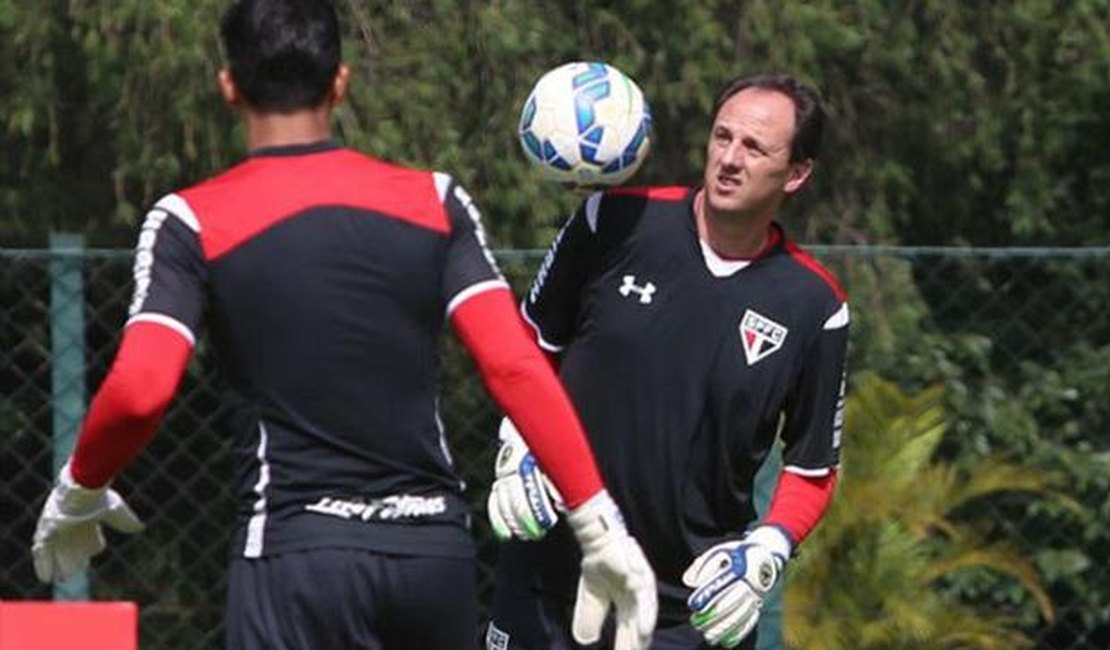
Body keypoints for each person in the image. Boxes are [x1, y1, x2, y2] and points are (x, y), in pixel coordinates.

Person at [29, 1, 657, 648]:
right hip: (432, 556)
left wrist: (81, 486)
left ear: (228, 85)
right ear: (340, 82)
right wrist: (596, 521)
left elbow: (139, 391)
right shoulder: (435, 201)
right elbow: (514, 365)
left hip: (297, 557)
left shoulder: (192, 220)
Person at [485, 73, 849, 650]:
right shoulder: (613, 222)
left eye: (754, 148)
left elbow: (811, 468)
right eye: (722, 137)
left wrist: (769, 547)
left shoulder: (815, 305)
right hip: (547, 578)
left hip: (687, 611)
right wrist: (519, 443)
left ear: (798, 173)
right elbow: (527, 350)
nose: (729, 159)